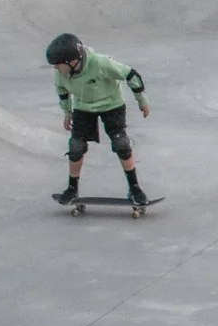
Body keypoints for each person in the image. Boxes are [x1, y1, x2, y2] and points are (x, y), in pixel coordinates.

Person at [45, 33, 152, 206]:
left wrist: (142, 100)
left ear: (72, 61)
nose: (55, 68)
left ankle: (134, 188)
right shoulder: (62, 73)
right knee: (76, 146)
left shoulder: (101, 63)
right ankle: (72, 188)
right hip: (83, 107)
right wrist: (67, 113)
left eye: (58, 64)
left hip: (112, 104)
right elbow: (62, 91)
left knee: (121, 144)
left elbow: (131, 75)